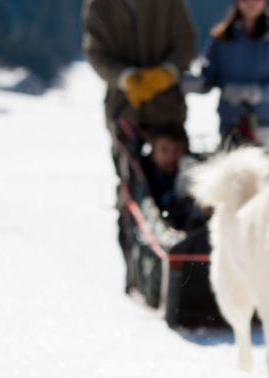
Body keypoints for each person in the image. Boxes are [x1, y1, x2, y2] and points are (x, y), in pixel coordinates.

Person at [82, 0, 197, 292]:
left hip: (167, 112)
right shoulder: (99, 6)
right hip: (125, 112)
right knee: (131, 195)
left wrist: (167, 72)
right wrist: (124, 77)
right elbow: (96, 52)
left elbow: (185, 42)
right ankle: (136, 274)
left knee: (180, 188)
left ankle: (182, 269)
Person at [187, 0, 269, 171]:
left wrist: (256, 92)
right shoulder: (222, 37)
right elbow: (208, 74)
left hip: (268, 127)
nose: (250, 3)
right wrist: (197, 83)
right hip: (231, 125)